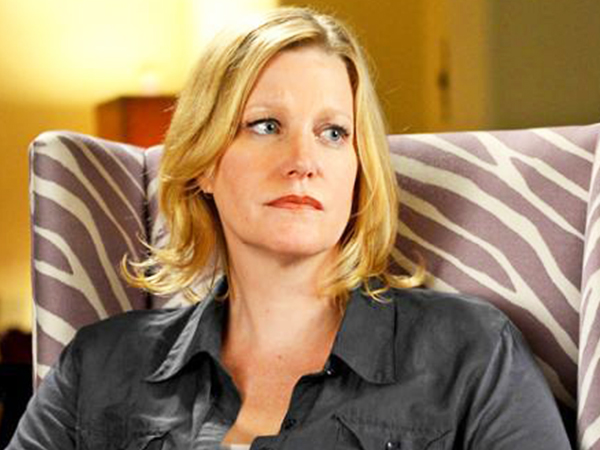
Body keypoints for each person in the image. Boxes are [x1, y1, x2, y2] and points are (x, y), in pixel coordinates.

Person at [9, 7, 571, 450]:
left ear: (359, 170)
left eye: (333, 133)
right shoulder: (99, 365)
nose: (304, 161)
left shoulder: (470, 353)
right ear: (204, 162)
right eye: (266, 125)